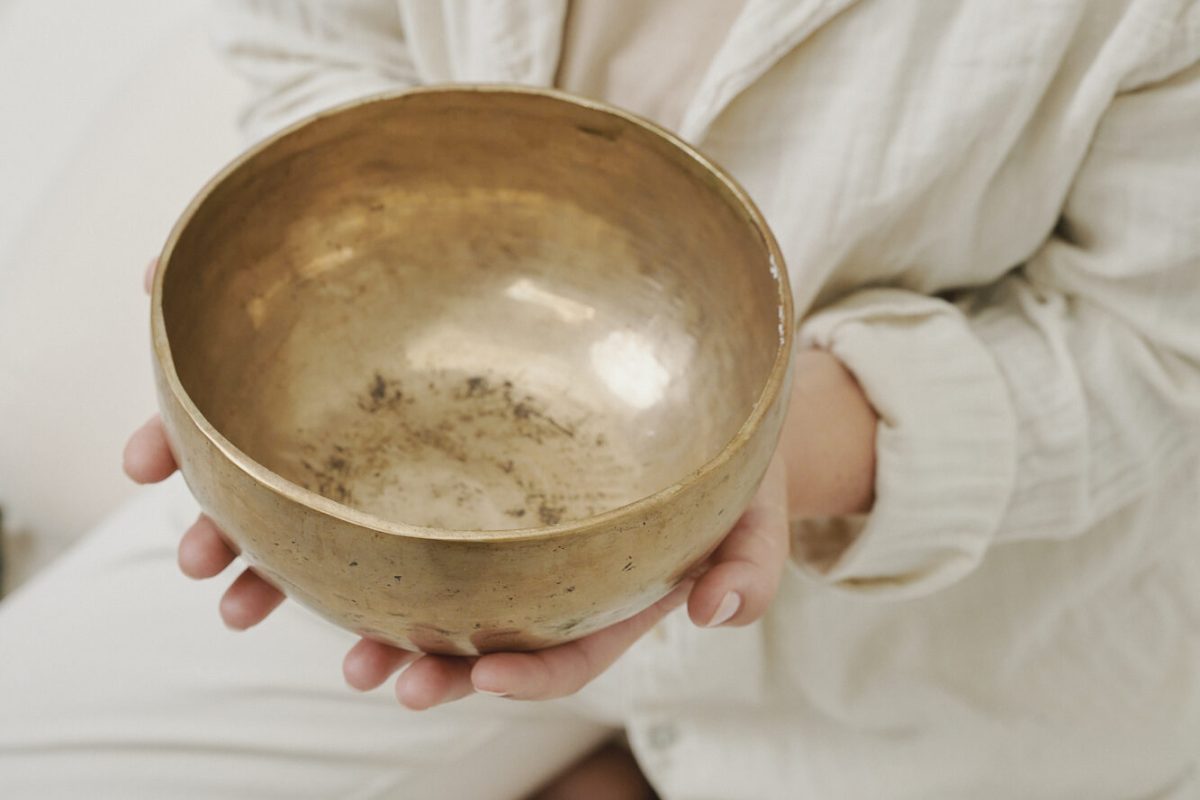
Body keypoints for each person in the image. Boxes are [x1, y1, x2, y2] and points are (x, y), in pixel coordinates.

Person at [3, 1, 1199, 797]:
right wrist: (306, 264)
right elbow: (310, 35)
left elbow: (1157, 346)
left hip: (934, 650)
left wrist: (771, 460)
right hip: (367, 507)